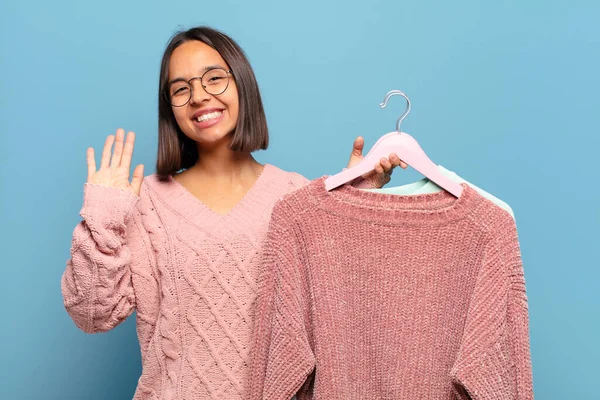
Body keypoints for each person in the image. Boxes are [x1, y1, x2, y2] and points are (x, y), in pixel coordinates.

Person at [61, 26, 405, 400]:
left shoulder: (295, 196)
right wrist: (103, 217)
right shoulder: (146, 206)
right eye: (181, 89)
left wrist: (351, 200)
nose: (198, 96)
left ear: (242, 83)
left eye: (213, 78)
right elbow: (92, 314)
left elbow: (345, 312)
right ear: (170, 108)